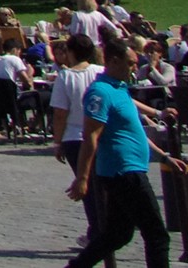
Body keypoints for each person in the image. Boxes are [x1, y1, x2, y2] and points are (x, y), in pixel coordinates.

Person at [65, 37, 174, 268]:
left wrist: (163, 155)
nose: (135, 68)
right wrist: (83, 177)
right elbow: (91, 136)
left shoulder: (119, 88)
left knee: (118, 234)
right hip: (122, 171)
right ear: (114, 61)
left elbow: (133, 130)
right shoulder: (100, 92)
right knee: (156, 234)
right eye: (131, 63)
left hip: (129, 168)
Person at [53, 34, 108, 247]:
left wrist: (57, 142)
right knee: (102, 184)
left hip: (75, 136)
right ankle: (102, 227)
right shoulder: (101, 73)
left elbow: (60, 114)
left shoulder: (66, 77)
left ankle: (97, 231)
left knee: (88, 188)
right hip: (101, 132)